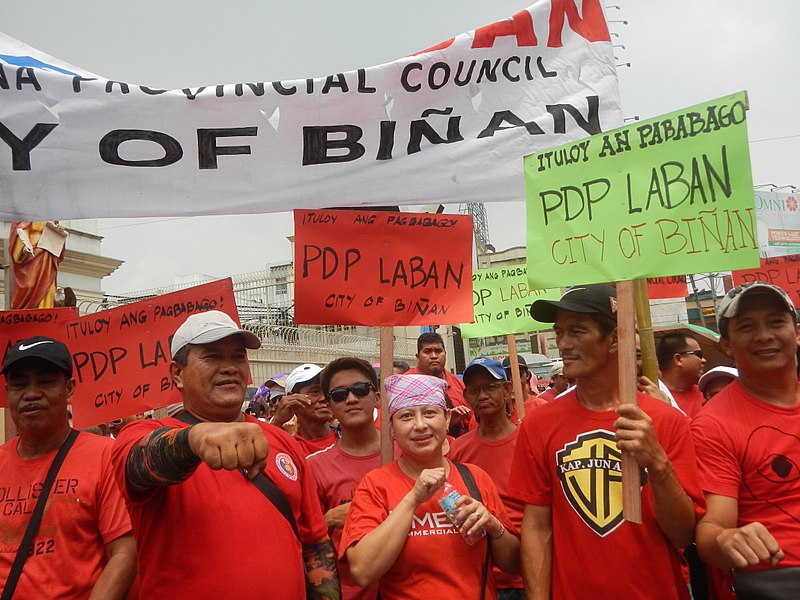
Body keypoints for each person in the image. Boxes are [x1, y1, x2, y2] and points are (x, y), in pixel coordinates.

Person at [111, 310, 340, 599]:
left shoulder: (283, 442)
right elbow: (141, 463)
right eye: (213, 357)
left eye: (237, 357)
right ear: (177, 374)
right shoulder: (141, 434)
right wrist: (194, 439)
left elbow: (315, 543)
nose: (230, 367)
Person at [509, 284, 704, 599]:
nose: (563, 343)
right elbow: (536, 529)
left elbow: (683, 533)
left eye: (577, 331)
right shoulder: (538, 425)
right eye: (559, 332)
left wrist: (658, 465)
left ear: (614, 338)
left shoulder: (667, 421)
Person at [341, 373, 520, 599]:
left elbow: (514, 564)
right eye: (406, 416)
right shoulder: (376, 485)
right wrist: (413, 499)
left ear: (446, 419)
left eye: (429, 413)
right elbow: (362, 571)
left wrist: (494, 527)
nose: (420, 425)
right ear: (392, 428)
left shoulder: (476, 478)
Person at [0, 336, 136, 599]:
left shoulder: (105, 456)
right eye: (19, 384)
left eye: (46, 381)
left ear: (70, 388)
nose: (31, 393)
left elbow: (125, 553)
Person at [692, 282, 800, 598]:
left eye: (776, 322)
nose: (764, 335)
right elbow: (713, 527)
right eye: (747, 326)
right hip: (780, 577)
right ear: (726, 343)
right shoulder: (714, 424)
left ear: (796, 331)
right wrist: (726, 540)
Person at [451, 357, 525, 599]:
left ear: (507, 390)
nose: (482, 395)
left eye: (490, 387)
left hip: (524, 574)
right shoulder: (458, 450)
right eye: (474, 390)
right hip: (477, 577)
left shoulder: (530, 441)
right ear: (467, 397)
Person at [308, 357, 382, 600]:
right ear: (329, 405)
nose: (351, 399)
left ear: (377, 397)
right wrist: (328, 520)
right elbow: (304, 542)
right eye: (339, 394)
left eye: (360, 390)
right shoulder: (314, 466)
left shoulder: (408, 451)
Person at [406, 332, 474, 434]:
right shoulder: (405, 384)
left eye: (438, 351)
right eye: (427, 351)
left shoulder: (459, 384)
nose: (434, 356)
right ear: (418, 356)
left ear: (445, 354)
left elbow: (472, 422)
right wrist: (447, 420)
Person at [271, 363, 338, 456]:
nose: (324, 398)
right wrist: (277, 421)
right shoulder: (286, 448)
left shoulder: (348, 438)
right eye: (315, 392)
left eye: (326, 391)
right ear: (292, 398)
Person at [9, 221, 66, 309]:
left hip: (49, 254)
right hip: (33, 253)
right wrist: (24, 247)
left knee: (48, 288)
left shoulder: (52, 213)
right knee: (30, 284)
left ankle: (47, 312)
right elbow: (20, 230)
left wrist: (59, 231)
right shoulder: (27, 212)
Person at [656, 332, 707, 418]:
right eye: (699, 354)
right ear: (678, 359)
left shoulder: (706, 393)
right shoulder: (652, 396)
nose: (703, 360)